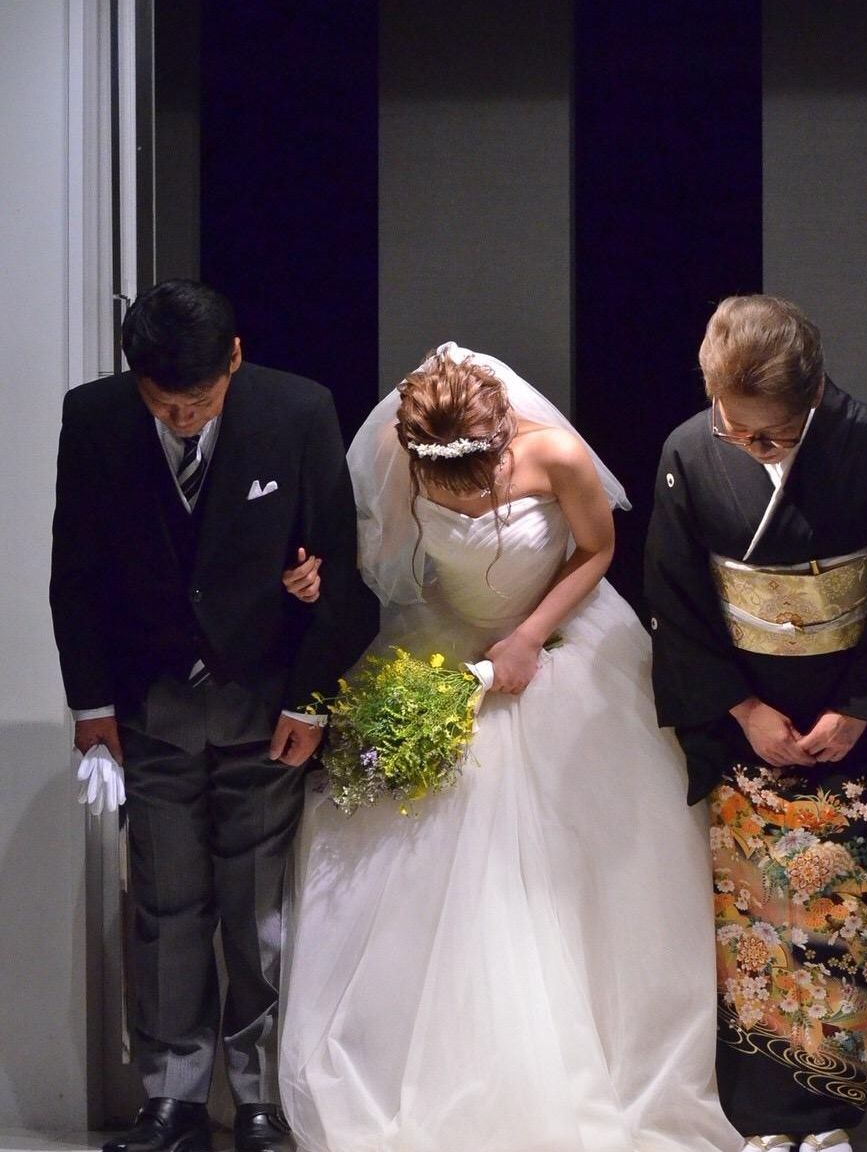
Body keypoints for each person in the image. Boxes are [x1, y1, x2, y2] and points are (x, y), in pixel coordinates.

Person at [277, 344, 742, 1152]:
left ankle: (600, 1060)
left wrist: (527, 637)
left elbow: (596, 550)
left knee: (581, 862)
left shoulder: (555, 454)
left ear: (501, 439)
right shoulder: (396, 454)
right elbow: (374, 562)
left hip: (562, 642)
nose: (466, 496)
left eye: (481, 478)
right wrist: (314, 582)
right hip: (448, 642)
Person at [644, 295, 867, 1152]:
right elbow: (677, 597)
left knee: (846, 915)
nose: (755, 446)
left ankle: (830, 1114)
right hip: (747, 721)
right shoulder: (688, 452)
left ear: (817, 393)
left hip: (853, 718)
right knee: (754, 920)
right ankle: (759, 1117)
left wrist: (860, 709)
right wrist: (743, 709)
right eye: (739, 430)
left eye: (777, 434)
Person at [49, 280, 373, 1152]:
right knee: (164, 903)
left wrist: (311, 699)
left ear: (235, 358)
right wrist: (91, 705)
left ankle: (258, 1098)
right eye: (164, 403)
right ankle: (172, 1099)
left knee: (257, 909)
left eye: (198, 401)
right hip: (150, 702)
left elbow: (340, 568)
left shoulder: (298, 410)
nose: (182, 418)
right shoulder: (95, 418)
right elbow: (74, 570)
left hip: (266, 702)